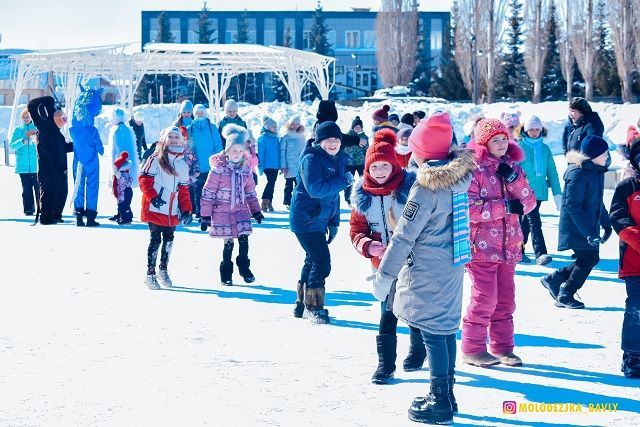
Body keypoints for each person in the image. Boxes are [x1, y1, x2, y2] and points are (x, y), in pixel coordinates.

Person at [373, 111, 476, 424]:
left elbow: (404, 235)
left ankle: (439, 399)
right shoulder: (459, 178)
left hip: (428, 266)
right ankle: (448, 393)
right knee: (444, 328)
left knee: (432, 329)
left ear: (422, 152)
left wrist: (385, 274)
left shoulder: (426, 187)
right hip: (452, 263)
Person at [462, 118, 536, 368]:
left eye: (505, 139)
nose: (502, 144)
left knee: (505, 300)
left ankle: (503, 348)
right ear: (484, 143)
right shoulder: (474, 169)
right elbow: (468, 208)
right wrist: (504, 207)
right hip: (481, 247)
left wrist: (514, 178)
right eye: (496, 140)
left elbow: (529, 202)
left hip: (509, 246)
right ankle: (472, 349)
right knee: (485, 299)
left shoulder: (512, 167)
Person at [349, 129, 420, 384]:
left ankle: (417, 349)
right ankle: (385, 364)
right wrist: (368, 245)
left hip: (412, 263)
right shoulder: (362, 197)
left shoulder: (410, 190)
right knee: (387, 313)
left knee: (413, 310)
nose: (380, 172)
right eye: (375, 167)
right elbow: (356, 231)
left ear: (394, 166)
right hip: (384, 266)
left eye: (385, 166)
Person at [290, 121, 352, 324]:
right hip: (305, 219)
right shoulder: (311, 159)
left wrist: (334, 222)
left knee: (312, 259)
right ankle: (314, 307)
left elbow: (333, 196)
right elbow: (315, 189)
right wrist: (344, 181)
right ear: (319, 141)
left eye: (336, 140)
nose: (333, 143)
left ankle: (301, 304)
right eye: (328, 140)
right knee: (321, 261)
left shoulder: (339, 158)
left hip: (320, 219)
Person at [541, 135, 612, 309]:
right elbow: (572, 206)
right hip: (576, 227)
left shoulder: (594, 172)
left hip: (587, 225)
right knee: (589, 258)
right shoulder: (578, 173)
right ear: (593, 155)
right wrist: (588, 232)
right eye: (604, 153)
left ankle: (555, 279)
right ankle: (566, 294)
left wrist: (606, 223)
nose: (607, 156)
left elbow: (598, 202)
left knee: (588, 258)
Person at [200, 124, 264, 286]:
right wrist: (205, 216)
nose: (237, 153)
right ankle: (226, 273)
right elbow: (208, 193)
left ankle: (244, 268)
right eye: (233, 150)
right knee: (228, 243)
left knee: (244, 239)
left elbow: (250, 193)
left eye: (240, 150)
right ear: (227, 151)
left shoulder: (246, 170)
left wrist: (256, 211)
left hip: (241, 210)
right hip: (222, 210)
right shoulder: (218, 170)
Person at [138, 126, 193, 290]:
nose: (174, 140)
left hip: (172, 210)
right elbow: (144, 180)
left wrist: (186, 210)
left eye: (177, 137)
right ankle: (150, 274)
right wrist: (153, 197)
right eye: (170, 136)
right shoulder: (156, 158)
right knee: (155, 240)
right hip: (155, 207)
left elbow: (183, 190)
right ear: (164, 139)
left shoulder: (183, 164)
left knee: (169, 241)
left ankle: (163, 269)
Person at [609, 140, 640, 378]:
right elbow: (619, 219)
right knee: (636, 309)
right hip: (634, 262)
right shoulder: (627, 187)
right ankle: (633, 355)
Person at [515, 115, 562, 265]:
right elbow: (513, 169)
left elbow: (552, 172)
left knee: (526, 223)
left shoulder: (545, 148)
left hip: (539, 192)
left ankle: (517, 250)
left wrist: (557, 194)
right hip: (522, 192)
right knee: (534, 221)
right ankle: (540, 253)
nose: (534, 132)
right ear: (525, 130)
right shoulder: (519, 147)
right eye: (531, 129)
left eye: (537, 129)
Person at [27, 96, 74, 225]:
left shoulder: (55, 133)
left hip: (60, 169)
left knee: (61, 192)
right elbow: (48, 154)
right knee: (49, 193)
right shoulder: (44, 134)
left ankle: (56, 214)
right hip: (49, 171)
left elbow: (62, 148)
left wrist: (75, 146)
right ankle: (46, 216)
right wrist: (56, 167)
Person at [70, 86, 103, 227]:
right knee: (92, 186)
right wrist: (100, 148)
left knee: (78, 185)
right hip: (92, 161)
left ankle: (78, 216)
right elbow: (100, 148)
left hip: (78, 161)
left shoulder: (73, 130)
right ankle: (90, 216)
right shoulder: (93, 131)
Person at [188, 104, 223, 217]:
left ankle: (211, 210)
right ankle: (199, 211)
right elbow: (188, 146)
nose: (200, 114)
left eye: (201, 112)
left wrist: (218, 159)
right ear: (194, 114)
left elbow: (218, 144)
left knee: (211, 189)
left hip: (211, 164)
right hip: (196, 164)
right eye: (197, 113)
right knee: (198, 189)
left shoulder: (212, 127)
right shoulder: (191, 128)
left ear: (205, 113)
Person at [109, 109, 140, 222]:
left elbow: (114, 150)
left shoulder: (116, 131)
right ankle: (122, 212)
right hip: (128, 165)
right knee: (124, 188)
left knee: (122, 189)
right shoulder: (128, 130)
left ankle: (125, 213)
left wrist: (114, 168)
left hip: (120, 165)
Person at [10, 108, 39, 216]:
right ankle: (28, 209)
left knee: (38, 188)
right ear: (22, 118)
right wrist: (22, 141)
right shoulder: (18, 130)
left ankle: (41, 207)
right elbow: (12, 145)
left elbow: (42, 142)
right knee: (26, 189)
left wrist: (35, 140)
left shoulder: (36, 128)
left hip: (36, 165)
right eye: (24, 117)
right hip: (23, 165)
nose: (26, 118)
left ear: (31, 117)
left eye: (28, 116)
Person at [279, 115, 306, 209]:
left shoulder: (302, 137)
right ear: (289, 124)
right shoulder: (285, 137)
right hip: (289, 166)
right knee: (289, 185)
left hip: (300, 166)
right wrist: (283, 166)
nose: (295, 126)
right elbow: (282, 152)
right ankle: (287, 202)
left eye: (297, 124)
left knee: (300, 186)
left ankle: (299, 202)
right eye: (293, 124)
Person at [257, 116, 281, 212]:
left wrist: (280, 164)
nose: (275, 128)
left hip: (275, 165)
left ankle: (269, 202)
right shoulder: (263, 138)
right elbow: (261, 153)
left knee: (272, 183)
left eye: (275, 126)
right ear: (268, 127)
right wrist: (260, 165)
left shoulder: (276, 138)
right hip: (267, 165)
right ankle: (264, 201)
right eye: (273, 126)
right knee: (270, 182)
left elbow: (278, 152)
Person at [344, 116, 369, 204]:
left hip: (361, 163)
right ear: (352, 127)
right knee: (349, 181)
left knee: (364, 180)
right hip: (349, 163)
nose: (358, 129)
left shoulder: (364, 137)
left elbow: (367, 150)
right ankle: (348, 199)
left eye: (359, 127)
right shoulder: (347, 136)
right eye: (356, 127)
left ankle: (364, 196)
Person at [112, 151, 134, 225]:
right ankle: (127, 216)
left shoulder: (119, 174)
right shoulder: (127, 173)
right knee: (126, 205)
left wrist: (116, 167)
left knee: (122, 206)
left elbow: (115, 171)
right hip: (128, 191)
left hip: (123, 193)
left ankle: (125, 218)